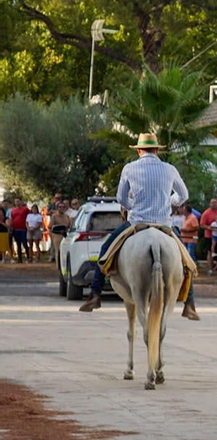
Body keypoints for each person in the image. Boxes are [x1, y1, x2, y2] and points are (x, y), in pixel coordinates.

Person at [79, 133, 199, 320]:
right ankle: (189, 303)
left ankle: (95, 294)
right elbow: (183, 195)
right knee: (186, 260)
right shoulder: (169, 169)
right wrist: (168, 201)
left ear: (139, 150)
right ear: (157, 149)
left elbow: (121, 198)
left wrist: (132, 205)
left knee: (105, 250)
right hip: (163, 224)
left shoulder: (130, 168)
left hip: (137, 222)